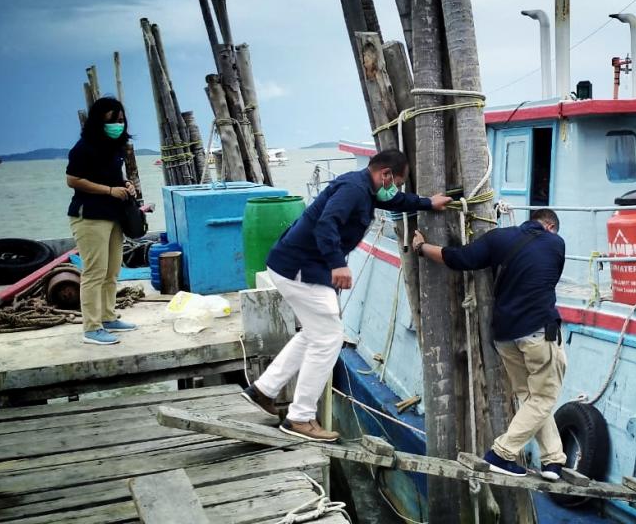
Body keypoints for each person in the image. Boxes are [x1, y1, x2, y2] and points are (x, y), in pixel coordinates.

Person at [241, 149, 451, 442]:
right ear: (385, 174)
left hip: (296, 265)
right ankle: (299, 417)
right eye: (397, 183)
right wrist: (337, 264)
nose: (396, 189)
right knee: (329, 337)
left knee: (315, 333)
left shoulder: (366, 187)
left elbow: (394, 201)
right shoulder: (354, 189)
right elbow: (326, 224)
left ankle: (264, 390)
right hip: (301, 268)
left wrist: (428, 203)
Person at [411, 208, 567, 481]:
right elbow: (547, 280)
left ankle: (553, 460)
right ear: (550, 227)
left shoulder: (499, 238)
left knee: (530, 397)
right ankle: (501, 454)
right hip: (538, 333)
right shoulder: (556, 244)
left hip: (505, 336)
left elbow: (458, 258)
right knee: (543, 398)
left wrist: (422, 247)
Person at [66, 97, 138, 345]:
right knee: (94, 272)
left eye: (120, 120)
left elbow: (114, 177)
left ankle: (107, 317)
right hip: (89, 216)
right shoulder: (83, 148)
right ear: (98, 121)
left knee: (112, 270)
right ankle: (91, 328)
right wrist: (108, 191)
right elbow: (73, 180)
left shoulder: (115, 148)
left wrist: (125, 185)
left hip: (114, 216)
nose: (117, 125)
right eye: (111, 120)